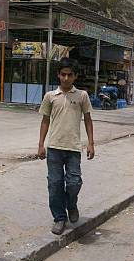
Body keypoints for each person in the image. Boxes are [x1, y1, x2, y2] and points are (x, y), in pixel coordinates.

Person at [37, 58, 95, 235]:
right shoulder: (50, 96)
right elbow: (45, 120)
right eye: (63, 74)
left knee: (74, 182)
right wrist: (41, 145)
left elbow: (88, 120)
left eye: (70, 75)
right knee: (54, 184)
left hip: (73, 149)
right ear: (58, 75)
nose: (66, 78)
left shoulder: (82, 96)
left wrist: (91, 143)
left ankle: (72, 205)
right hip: (54, 147)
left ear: (75, 76)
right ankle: (60, 218)